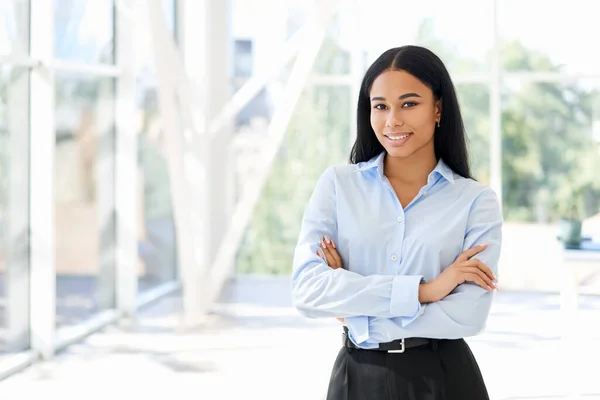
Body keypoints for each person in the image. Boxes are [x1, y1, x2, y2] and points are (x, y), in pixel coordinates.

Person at [291, 45, 503, 400]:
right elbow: (307, 292)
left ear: (438, 108)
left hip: (444, 378)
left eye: (409, 103)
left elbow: (468, 315)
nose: (392, 121)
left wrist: (354, 310)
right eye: (380, 106)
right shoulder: (338, 186)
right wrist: (425, 292)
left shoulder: (475, 202)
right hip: (356, 379)